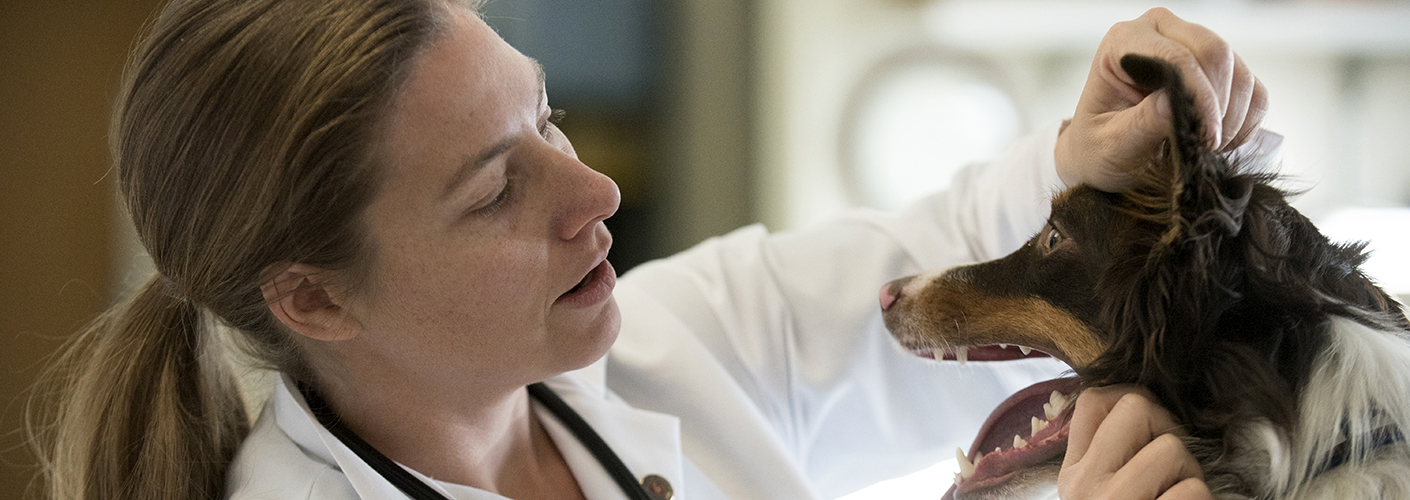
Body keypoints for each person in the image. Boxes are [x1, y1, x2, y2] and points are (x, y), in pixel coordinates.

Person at [28, 0, 1267, 499]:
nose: (596, 189)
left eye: (546, 113)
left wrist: (1083, 158)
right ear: (314, 296)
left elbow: (920, 282)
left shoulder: (639, 360)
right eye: (494, 188)